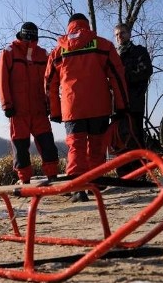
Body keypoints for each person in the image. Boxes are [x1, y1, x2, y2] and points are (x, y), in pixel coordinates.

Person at [45, 13, 128, 202]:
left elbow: (49, 84)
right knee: (97, 146)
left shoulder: (58, 51)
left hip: (72, 108)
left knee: (76, 147)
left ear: (69, 27)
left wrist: (55, 111)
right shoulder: (103, 45)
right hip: (99, 107)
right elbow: (118, 76)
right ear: (87, 26)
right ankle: (96, 183)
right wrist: (122, 105)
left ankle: (77, 188)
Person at [0, 22, 60, 184]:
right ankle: (24, 181)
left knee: (48, 145)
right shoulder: (9, 52)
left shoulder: (43, 54)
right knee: (21, 146)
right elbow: (1, 80)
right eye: (28, 34)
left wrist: (51, 106)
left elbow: (51, 81)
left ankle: (52, 177)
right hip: (18, 110)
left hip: (39, 110)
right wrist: (7, 104)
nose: (31, 37)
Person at [113, 23, 153, 177]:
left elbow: (145, 71)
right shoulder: (113, 54)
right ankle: (123, 173)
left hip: (134, 102)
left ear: (129, 34)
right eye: (117, 34)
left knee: (135, 138)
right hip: (116, 104)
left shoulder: (138, 51)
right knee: (119, 139)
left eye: (122, 33)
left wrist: (122, 77)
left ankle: (139, 172)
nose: (119, 36)